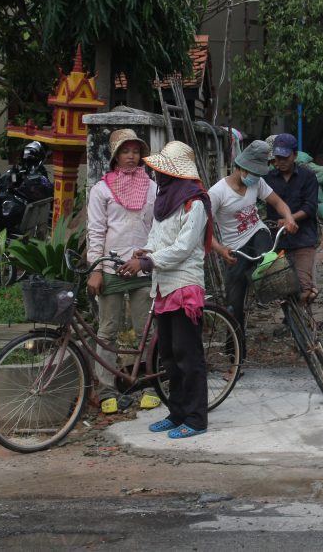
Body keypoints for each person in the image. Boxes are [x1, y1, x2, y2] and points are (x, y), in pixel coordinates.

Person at [118, 141, 213, 439]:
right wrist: (145, 252)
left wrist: (148, 262)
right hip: (163, 286)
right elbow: (159, 239)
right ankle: (177, 412)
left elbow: (183, 248)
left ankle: (196, 418)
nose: (157, 174)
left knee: (188, 355)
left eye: (161, 170)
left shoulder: (195, 203)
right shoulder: (166, 200)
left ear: (174, 173)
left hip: (184, 285)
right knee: (169, 356)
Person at [86, 129, 160, 413]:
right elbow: (96, 231)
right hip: (111, 269)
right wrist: (96, 269)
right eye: (125, 151)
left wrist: (149, 258)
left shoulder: (152, 188)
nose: (131, 156)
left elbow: (157, 228)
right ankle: (106, 390)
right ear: (115, 156)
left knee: (146, 330)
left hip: (142, 268)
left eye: (136, 151)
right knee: (107, 331)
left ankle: (151, 384)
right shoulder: (102, 189)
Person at [209, 140, 298, 335]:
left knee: (276, 272)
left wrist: (289, 217)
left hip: (258, 233)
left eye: (258, 174)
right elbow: (203, 228)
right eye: (253, 173)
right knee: (234, 304)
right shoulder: (217, 193)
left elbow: (278, 202)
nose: (256, 178)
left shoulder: (257, 182)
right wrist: (220, 249)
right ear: (241, 167)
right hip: (234, 248)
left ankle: (295, 318)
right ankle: (235, 346)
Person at [265, 133, 321, 304]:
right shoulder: (267, 179)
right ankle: (289, 317)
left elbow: (310, 206)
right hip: (278, 241)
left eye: (285, 157)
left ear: (295, 155)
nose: (281, 162)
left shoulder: (308, 176)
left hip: (303, 239)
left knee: (303, 288)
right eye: (278, 158)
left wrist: (290, 219)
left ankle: (304, 313)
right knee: (282, 289)